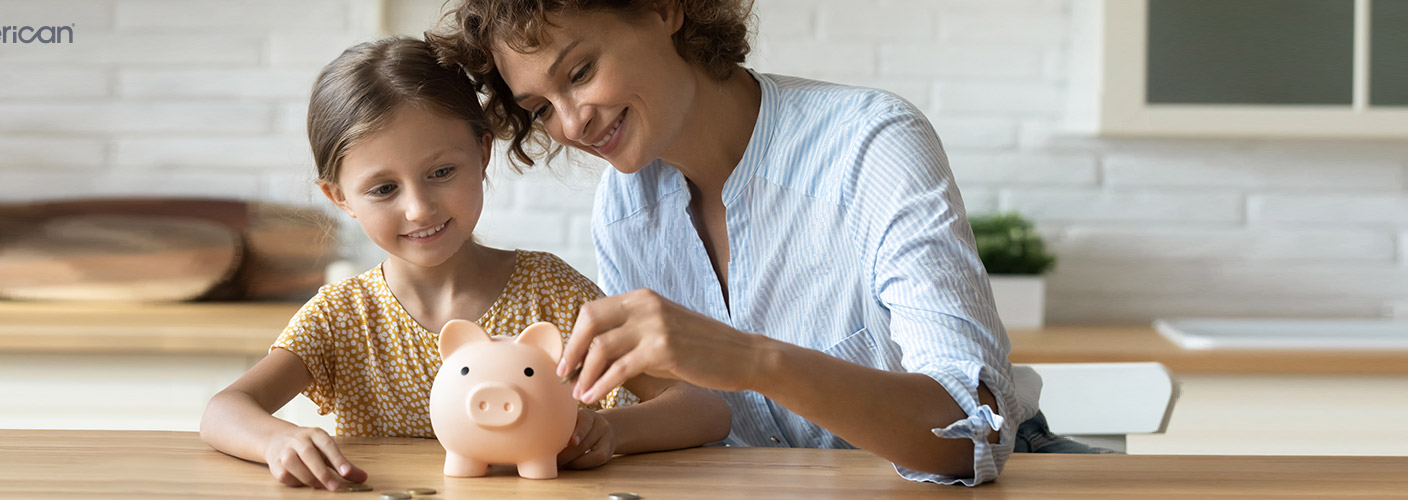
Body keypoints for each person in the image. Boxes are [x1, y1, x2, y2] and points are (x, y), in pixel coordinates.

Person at [429, 0, 1046, 485]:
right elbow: (705, 411)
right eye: (540, 108)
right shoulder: (624, 206)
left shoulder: (871, 145)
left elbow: (975, 438)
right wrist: (603, 430)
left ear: (662, 9)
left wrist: (749, 359)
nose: (571, 122)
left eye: (581, 71)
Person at [198, 36, 731, 491]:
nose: (419, 208)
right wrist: (279, 439)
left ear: (482, 153)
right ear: (339, 197)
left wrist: (612, 431)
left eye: (441, 172)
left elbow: (705, 409)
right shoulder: (343, 316)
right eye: (383, 189)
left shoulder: (554, 295)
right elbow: (224, 409)